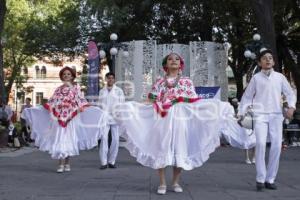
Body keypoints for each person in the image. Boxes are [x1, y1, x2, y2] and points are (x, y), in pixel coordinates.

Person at [116, 53, 228, 195]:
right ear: (165, 64)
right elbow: (151, 100)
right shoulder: (159, 82)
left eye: (177, 59)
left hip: (180, 118)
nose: (173, 61)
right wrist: (133, 106)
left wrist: (213, 107)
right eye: (170, 59)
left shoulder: (186, 81)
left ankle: (175, 182)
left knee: (179, 147)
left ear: (180, 64)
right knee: (161, 147)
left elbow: (194, 100)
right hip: (162, 118)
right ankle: (162, 182)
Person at [21, 66, 108, 173]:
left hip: (71, 120)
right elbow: (52, 102)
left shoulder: (76, 88)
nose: (66, 76)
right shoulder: (58, 89)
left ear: (72, 76)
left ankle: (67, 163)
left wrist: (87, 107)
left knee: (68, 140)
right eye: (64, 74)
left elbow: (81, 101)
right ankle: (61, 164)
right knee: (60, 139)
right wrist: (35, 109)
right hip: (58, 120)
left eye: (68, 74)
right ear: (62, 76)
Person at [238, 49, 296, 191]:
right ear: (260, 62)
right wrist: (241, 113)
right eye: (264, 58)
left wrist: (291, 107)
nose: (268, 60)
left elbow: (290, 93)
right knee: (260, 144)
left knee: (276, 145)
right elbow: (246, 97)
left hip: (276, 114)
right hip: (259, 115)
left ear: (274, 62)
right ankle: (260, 178)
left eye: (270, 58)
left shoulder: (280, 77)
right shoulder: (256, 78)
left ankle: (270, 179)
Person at [98, 72, 125, 169]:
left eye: (112, 78)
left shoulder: (119, 91)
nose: (110, 80)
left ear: (114, 80)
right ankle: (103, 162)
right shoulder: (102, 91)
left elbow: (122, 104)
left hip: (115, 116)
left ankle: (112, 161)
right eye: (108, 78)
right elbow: (100, 104)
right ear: (106, 79)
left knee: (115, 139)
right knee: (104, 138)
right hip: (105, 116)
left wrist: (119, 114)